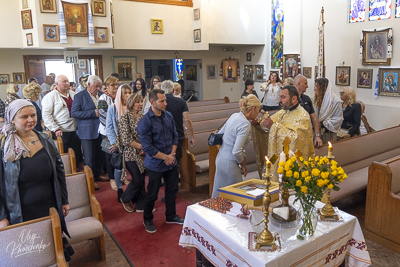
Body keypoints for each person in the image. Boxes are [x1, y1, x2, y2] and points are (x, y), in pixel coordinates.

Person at [0, 99, 74, 260]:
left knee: (55, 252)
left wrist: (64, 200)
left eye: (33, 115)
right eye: (24, 117)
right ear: (12, 118)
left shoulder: (45, 140)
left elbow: (59, 172)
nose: (31, 120)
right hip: (20, 210)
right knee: (31, 255)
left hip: (50, 205)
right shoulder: (4, 145)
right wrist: (1, 216)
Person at [137, 89, 184, 233]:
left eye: (165, 100)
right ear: (152, 102)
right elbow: (148, 148)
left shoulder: (168, 115)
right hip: (155, 164)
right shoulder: (145, 122)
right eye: (162, 101)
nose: (165, 103)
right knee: (152, 194)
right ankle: (148, 219)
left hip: (171, 160)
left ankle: (170, 215)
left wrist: (172, 154)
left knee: (172, 190)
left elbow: (175, 135)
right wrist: (166, 157)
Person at [211, 95, 261, 197]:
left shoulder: (234, 115)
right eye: (258, 110)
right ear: (253, 109)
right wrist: (243, 164)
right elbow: (236, 151)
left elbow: (221, 134)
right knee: (236, 197)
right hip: (230, 163)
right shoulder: (245, 124)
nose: (258, 113)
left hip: (221, 158)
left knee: (218, 194)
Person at [262, 86, 315, 179]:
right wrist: (259, 123)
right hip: (278, 158)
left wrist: (273, 126)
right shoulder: (282, 112)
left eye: (283, 97)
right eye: (280, 97)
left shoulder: (303, 116)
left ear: (294, 99)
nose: (279, 100)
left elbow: (295, 138)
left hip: (293, 161)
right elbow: (269, 123)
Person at [71, 75, 107, 190]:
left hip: (100, 130)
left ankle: (97, 174)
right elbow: (75, 113)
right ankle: (90, 179)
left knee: (99, 154)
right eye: (96, 86)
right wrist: (93, 113)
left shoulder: (101, 95)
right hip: (87, 131)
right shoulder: (79, 96)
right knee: (89, 157)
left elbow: (103, 111)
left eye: (99, 86)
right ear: (88, 85)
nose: (98, 88)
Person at [42, 75, 83, 170]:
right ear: (56, 84)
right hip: (60, 131)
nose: (67, 83)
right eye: (64, 81)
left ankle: (77, 173)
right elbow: (46, 116)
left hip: (75, 129)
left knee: (77, 153)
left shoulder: (74, 94)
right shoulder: (50, 97)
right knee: (63, 156)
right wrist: (55, 128)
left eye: (68, 81)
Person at [117, 92, 148, 213]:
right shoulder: (126, 117)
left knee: (141, 178)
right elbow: (126, 139)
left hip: (142, 153)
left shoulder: (142, 116)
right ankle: (125, 198)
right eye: (137, 102)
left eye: (141, 102)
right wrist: (142, 146)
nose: (140, 104)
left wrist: (146, 147)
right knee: (137, 179)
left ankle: (141, 205)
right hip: (131, 153)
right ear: (131, 103)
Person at [106, 84, 132, 203]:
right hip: (118, 142)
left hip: (131, 142)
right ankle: (120, 190)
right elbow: (109, 127)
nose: (127, 95)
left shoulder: (132, 107)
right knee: (118, 167)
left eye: (129, 92)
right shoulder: (113, 107)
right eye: (125, 93)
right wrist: (115, 142)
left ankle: (132, 191)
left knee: (132, 166)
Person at [162, 80, 195, 173]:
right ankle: (175, 182)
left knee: (163, 159)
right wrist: (192, 136)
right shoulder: (181, 101)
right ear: (173, 89)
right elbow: (187, 119)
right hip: (178, 135)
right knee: (176, 161)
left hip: (164, 135)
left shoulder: (160, 102)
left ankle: (164, 181)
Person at [98, 76, 119, 190]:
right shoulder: (102, 98)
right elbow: (102, 117)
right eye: (112, 85)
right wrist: (113, 129)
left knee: (119, 154)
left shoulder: (118, 98)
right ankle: (112, 178)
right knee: (109, 155)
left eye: (117, 84)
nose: (115, 87)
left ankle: (120, 176)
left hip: (119, 132)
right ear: (106, 86)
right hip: (106, 132)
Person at [294, 74, 323, 147]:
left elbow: (313, 117)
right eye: (305, 84)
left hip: (306, 135)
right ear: (298, 84)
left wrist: (317, 135)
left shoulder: (307, 99)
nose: (307, 86)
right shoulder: (287, 98)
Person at [313, 78, 343, 144]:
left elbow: (338, 120)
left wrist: (322, 124)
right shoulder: (317, 99)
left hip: (328, 134)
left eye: (316, 86)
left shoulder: (335, 101)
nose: (314, 88)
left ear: (322, 87)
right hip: (317, 132)